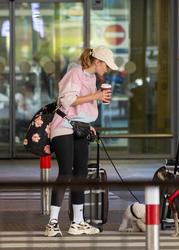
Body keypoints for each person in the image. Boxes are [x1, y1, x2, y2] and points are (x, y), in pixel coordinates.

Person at [44, 46, 118, 237]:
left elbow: (81, 107)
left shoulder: (92, 78)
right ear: (97, 62)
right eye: (106, 65)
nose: (107, 69)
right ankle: (52, 223)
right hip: (63, 126)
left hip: (79, 127)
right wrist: (97, 96)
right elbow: (68, 101)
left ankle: (77, 222)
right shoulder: (75, 72)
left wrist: (88, 123)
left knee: (81, 173)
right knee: (66, 172)